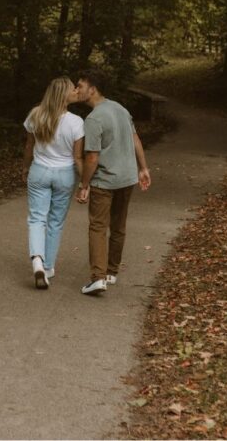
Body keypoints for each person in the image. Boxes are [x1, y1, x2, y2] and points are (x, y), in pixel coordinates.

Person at [74, 69, 151, 295]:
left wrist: (84, 185)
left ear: (93, 89)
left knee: (98, 227)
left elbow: (92, 157)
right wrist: (143, 168)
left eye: (80, 85)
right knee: (118, 226)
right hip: (127, 178)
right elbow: (135, 138)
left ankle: (98, 278)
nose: (77, 90)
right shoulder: (120, 109)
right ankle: (111, 272)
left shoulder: (94, 118)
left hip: (105, 181)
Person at [23, 77, 84, 289]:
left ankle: (37, 261)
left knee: (37, 219)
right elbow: (77, 158)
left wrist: (25, 167)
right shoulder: (76, 122)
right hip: (64, 174)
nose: (76, 91)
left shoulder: (35, 114)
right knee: (55, 221)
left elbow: (29, 146)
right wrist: (85, 183)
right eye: (72, 89)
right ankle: (48, 267)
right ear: (63, 95)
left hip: (39, 171)